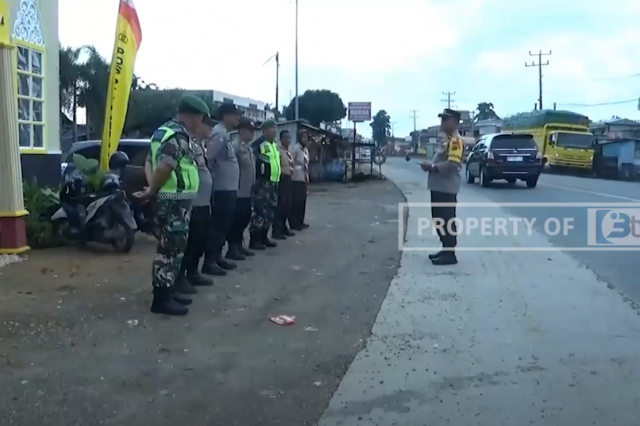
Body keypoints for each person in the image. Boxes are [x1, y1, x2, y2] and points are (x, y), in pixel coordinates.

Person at [136, 95, 206, 316]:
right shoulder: (177, 135)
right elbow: (165, 167)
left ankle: (169, 290)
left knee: (172, 247)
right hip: (174, 200)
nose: (200, 123)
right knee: (170, 249)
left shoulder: (162, 132)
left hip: (172, 197)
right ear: (192, 115)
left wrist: (151, 187)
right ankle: (162, 299)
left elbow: (149, 161)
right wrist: (153, 189)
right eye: (200, 118)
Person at [173, 116, 216, 295]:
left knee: (200, 239)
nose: (210, 130)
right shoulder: (186, 143)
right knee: (190, 242)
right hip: (193, 202)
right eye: (208, 127)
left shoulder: (200, 145)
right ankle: (181, 277)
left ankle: (193, 272)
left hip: (204, 202)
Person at [202, 103, 240, 276]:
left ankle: (217, 257)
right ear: (226, 116)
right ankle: (210, 261)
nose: (237, 118)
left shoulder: (225, 133)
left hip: (228, 187)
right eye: (235, 115)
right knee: (218, 226)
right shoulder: (219, 133)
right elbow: (208, 157)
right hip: (221, 188)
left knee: (224, 225)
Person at [421, 108, 463, 266]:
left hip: (446, 188)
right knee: (439, 220)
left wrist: (433, 167)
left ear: (454, 122)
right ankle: (446, 249)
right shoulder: (448, 140)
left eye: (446, 119)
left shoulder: (456, 141)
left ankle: (450, 253)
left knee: (446, 220)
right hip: (439, 187)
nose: (443, 122)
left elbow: (453, 164)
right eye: (442, 119)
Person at [226, 118, 257, 260]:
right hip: (238, 191)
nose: (252, 134)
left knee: (244, 218)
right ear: (242, 131)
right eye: (250, 131)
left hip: (248, 190)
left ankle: (238, 245)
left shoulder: (248, 147)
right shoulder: (235, 146)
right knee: (236, 220)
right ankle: (232, 248)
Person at [248, 120, 280, 250]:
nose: (274, 131)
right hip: (262, 183)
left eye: (275, 128)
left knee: (270, 211)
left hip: (274, 182)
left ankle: (264, 237)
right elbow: (255, 162)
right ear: (265, 130)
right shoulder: (258, 144)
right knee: (260, 211)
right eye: (272, 128)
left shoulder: (274, 145)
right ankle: (254, 239)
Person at [272, 130, 295, 239]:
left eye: (289, 138)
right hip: (281, 178)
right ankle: (276, 230)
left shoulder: (288, 151)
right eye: (286, 138)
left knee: (287, 205)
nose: (288, 140)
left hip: (289, 178)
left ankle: (283, 226)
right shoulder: (278, 150)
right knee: (280, 205)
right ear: (281, 139)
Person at [290, 128, 310, 230]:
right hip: (296, 178)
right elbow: (291, 161)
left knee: (302, 202)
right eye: (303, 137)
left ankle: (300, 221)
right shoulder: (295, 148)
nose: (305, 139)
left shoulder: (305, 150)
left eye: (306, 137)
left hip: (304, 178)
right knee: (296, 202)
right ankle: (294, 223)